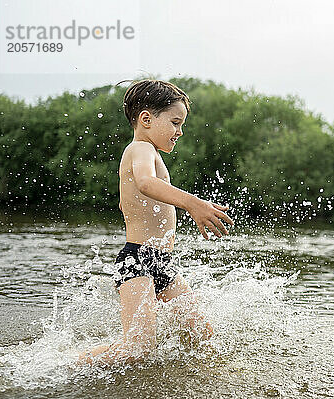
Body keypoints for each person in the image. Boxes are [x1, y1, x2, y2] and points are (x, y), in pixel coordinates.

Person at [78, 79, 234, 365]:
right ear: (146, 119)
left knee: (203, 334)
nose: (180, 131)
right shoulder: (140, 149)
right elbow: (146, 183)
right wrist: (192, 203)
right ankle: (70, 365)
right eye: (175, 122)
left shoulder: (150, 154)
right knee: (137, 349)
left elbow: (130, 200)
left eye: (181, 124)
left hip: (161, 262)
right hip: (136, 260)